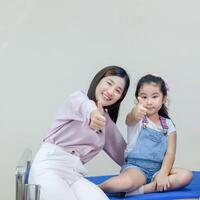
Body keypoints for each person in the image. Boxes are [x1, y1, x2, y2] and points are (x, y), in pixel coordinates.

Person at [28, 66, 130, 200]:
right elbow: (86, 107)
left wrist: (158, 169)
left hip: (74, 174)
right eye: (109, 83)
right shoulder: (77, 99)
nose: (111, 92)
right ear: (98, 80)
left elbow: (124, 153)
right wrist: (93, 114)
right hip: (49, 166)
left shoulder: (107, 123)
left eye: (118, 91)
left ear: (120, 98)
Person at [99, 74, 192, 196]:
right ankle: (96, 188)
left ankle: (139, 191)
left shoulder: (168, 125)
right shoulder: (138, 119)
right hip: (136, 169)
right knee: (125, 182)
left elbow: (170, 153)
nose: (149, 102)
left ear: (163, 98)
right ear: (138, 99)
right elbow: (130, 118)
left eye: (154, 97)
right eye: (144, 97)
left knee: (186, 176)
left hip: (158, 171)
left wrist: (163, 173)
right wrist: (136, 112)